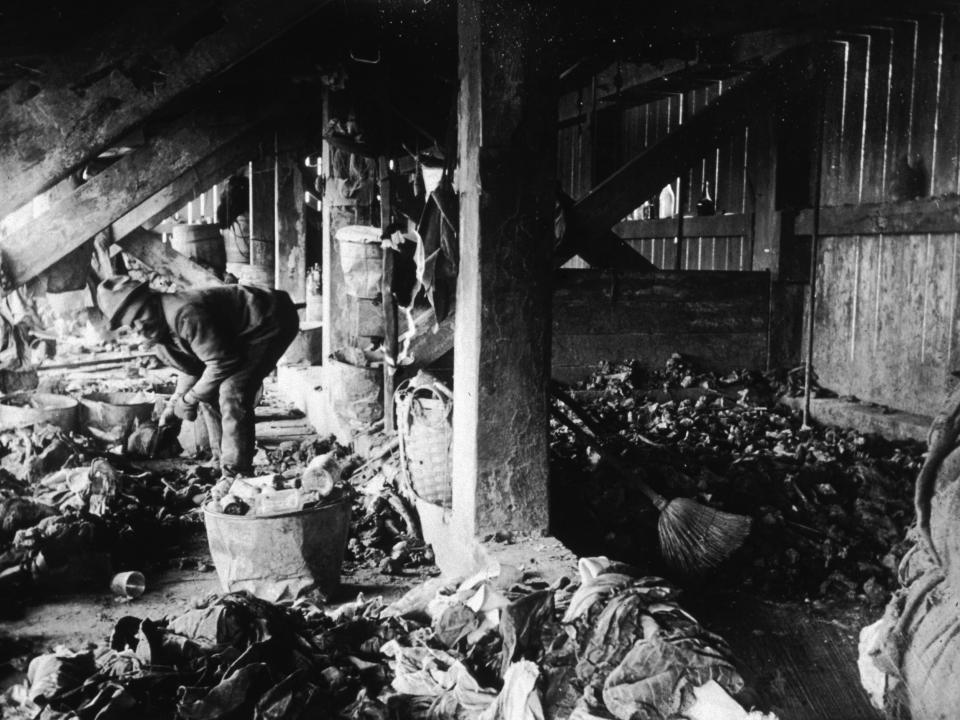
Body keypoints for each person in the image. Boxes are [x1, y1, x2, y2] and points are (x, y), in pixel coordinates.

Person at [97, 276, 299, 476]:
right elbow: (192, 369)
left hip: (270, 319)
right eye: (131, 324)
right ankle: (219, 460)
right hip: (237, 334)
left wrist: (189, 400)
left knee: (233, 390)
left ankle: (236, 473)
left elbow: (222, 363)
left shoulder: (184, 314)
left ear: (151, 297)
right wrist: (174, 404)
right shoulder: (157, 329)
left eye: (140, 315)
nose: (139, 328)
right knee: (208, 391)